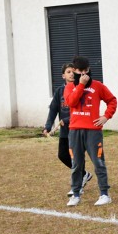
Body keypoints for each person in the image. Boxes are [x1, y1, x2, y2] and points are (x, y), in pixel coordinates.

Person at [64, 56, 117, 207]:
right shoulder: (69, 87)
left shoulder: (98, 86)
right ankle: (75, 194)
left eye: (85, 71)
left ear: (89, 69)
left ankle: (104, 194)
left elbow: (112, 100)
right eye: (79, 71)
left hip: (93, 131)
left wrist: (106, 116)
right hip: (75, 131)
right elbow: (71, 102)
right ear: (74, 70)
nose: (83, 74)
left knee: (99, 163)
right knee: (76, 164)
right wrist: (80, 86)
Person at [43, 63, 93, 197]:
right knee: (62, 155)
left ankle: (77, 186)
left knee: (76, 157)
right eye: (68, 71)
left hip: (78, 130)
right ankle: (84, 175)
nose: (71, 74)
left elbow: (82, 110)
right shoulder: (60, 91)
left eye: (73, 71)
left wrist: (66, 120)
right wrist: (48, 126)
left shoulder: (80, 89)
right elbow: (53, 109)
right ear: (63, 75)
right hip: (65, 132)